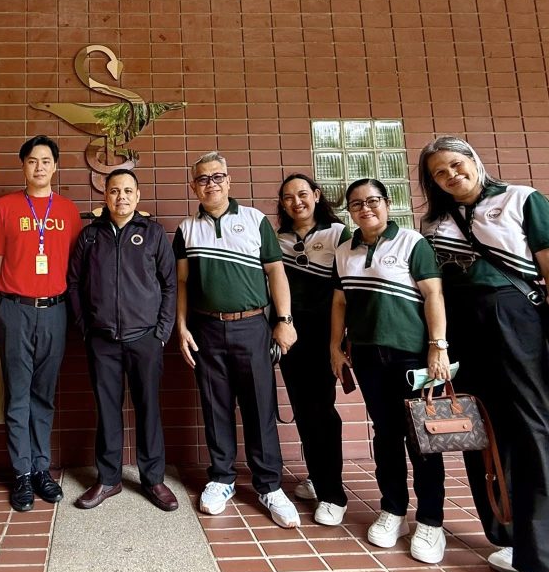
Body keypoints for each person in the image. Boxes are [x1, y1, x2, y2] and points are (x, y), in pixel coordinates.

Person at [418, 136, 549, 572]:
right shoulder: (433, 222)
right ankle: (511, 541)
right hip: (463, 330)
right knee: (483, 437)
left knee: (537, 437)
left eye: (457, 165)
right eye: (439, 172)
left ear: (474, 161)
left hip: (518, 321)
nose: (451, 175)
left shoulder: (522, 199)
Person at [174, 152, 300, 528]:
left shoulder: (255, 220)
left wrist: (284, 320)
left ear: (229, 181)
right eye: (203, 179)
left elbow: (276, 272)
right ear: (193, 186)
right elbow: (182, 282)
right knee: (216, 406)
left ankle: (269, 485)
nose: (210, 184)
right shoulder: (186, 229)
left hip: (253, 327)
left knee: (260, 406)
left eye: (217, 177)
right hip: (206, 329)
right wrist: (181, 327)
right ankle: (221, 478)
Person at [329, 178, 450, 564]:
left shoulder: (412, 243)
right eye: (356, 204)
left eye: (373, 201)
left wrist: (438, 346)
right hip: (367, 358)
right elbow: (340, 303)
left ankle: (430, 521)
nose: (365, 209)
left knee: (423, 439)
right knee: (386, 435)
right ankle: (393, 509)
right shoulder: (344, 251)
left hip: (412, 357)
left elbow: (433, 294)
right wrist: (335, 347)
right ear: (349, 211)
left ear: (387, 203)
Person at [67, 169, 178, 511]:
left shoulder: (153, 233)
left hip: (145, 338)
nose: (121, 197)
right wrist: (85, 327)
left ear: (138, 196)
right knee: (107, 410)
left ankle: (153, 479)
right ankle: (108, 478)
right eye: (115, 191)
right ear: (105, 196)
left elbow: (170, 284)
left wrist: (162, 332)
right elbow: (73, 284)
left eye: (128, 191)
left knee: (148, 410)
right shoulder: (90, 236)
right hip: (102, 340)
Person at [0, 134, 83, 511]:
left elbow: (74, 264)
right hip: (15, 309)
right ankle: (21, 472)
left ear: (55, 167)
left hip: (55, 310)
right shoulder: (5, 206)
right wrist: (11, 301)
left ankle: (42, 468)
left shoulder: (68, 210)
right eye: (32, 161)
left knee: (44, 393)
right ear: (23, 166)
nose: (39, 167)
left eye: (46, 161)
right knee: (18, 394)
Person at [275, 173, 351, 525]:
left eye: (303, 194)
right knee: (303, 410)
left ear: (317, 196)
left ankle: (333, 494)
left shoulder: (338, 234)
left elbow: (347, 290)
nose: (297, 202)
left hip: (326, 337)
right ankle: (318, 475)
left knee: (321, 410)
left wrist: (341, 340)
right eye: (288, 197)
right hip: (290, 337)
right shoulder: (278, 239)